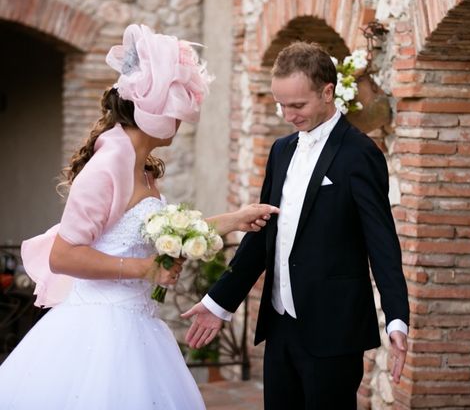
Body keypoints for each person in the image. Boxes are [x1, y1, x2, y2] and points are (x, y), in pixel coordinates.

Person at [0, 24, 278, 410]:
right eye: (175, 110)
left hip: (138, 324)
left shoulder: (141, 165)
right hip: (98, 333)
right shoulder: (108, 164)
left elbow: (165, 230)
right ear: (151, 110)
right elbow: (63, 256)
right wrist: (144, 269)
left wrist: (236, 219)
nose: (180, 122)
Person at [181, 41, 410, 409]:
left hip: (334, 329)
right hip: (281, 324)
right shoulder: (282, 150)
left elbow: (381, 242)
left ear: (327, 92)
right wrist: (220, 302)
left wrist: (397, 318)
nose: (288, 115)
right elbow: (262, 236)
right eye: (281, 104)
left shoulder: (360, 154)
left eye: (298, 105)